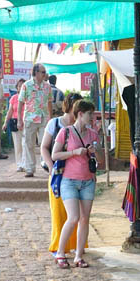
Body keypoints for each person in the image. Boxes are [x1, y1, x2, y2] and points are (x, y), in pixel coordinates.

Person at [51, 99, 99, 269]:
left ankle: (79, 256)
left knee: (85, 219)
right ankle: (60, 252)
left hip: (88, 180)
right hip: (69, 180)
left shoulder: (93, 134)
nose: (92, 117)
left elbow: (96, 159)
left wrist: (92, 153)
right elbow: (55, 155)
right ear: (80, 114)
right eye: (89, 114)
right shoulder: (66, 132)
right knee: (73, 217)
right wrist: (73, 152)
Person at [40, 92, 84, 255]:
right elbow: (44, 147)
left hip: (78, 173)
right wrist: (51, 168)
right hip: (59, 173)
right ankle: (60, 245)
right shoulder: (55, 123)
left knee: (76, 213)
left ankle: (75, 244)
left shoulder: (81, 126)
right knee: (59, 212)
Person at [16, 64, 52, 177]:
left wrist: (50, 118)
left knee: (45, 143)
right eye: (43, 71)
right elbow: (20, 103)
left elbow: (50, 102)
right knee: (29, 144)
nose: (45, 74)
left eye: (45, 72)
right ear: (36, 73)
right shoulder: (26, 85)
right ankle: (30, 169)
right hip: (30, 119)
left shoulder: (47, 86)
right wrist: (19, 120)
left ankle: (48, 166)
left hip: (44, 118)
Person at [5, 76, 26, 150]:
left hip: (27, 123)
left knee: (26, 146)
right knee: (18, 146)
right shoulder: (14, 98)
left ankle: (26, 161)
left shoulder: (29, 98)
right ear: (17, 87)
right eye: (19, 86)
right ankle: (19, 161)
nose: (21, 87)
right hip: (15, 123)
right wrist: (5, 123)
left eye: (23, 86)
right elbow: (10, 111)